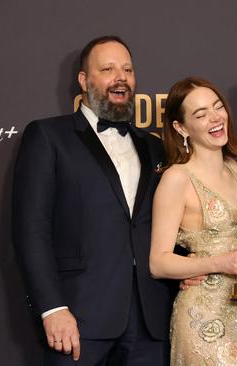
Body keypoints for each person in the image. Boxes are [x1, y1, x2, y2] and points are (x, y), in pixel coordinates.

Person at [12, 36, 175, 365]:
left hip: (150, 319)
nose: (121, 77)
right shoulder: (47, 136)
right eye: (108, 69)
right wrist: (52, 308)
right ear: (84, 81)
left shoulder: (155, 147)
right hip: (78, 316)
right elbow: (31, 229)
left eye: (127, 69)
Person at [148, 76, 237, 366]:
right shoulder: (177, 178)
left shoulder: (235, 171)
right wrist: (219, 263)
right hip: (204, 317)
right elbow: (158, 262)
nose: (215, 118)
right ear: (181, 127)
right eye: (200, 114)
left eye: (218, 107)